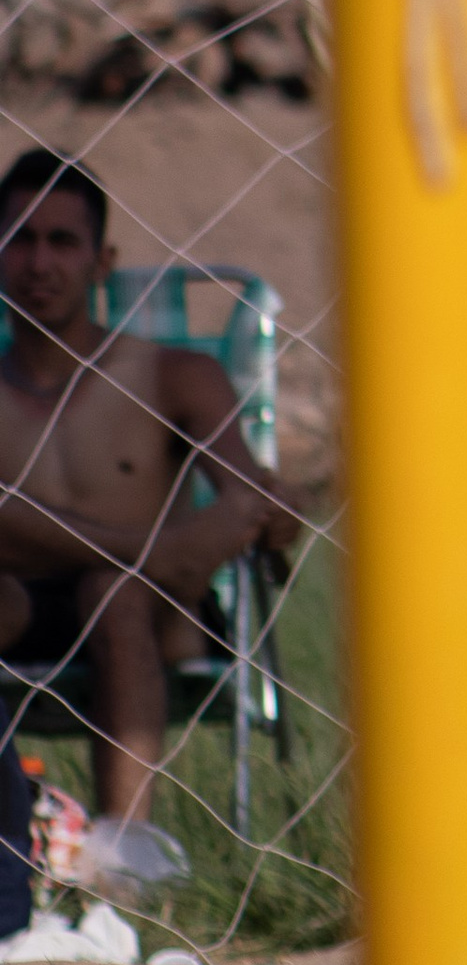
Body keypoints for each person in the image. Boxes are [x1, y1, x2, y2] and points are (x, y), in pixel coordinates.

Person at [0, 148, 298, 851]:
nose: (40, 263)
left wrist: (278, 506)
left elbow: (250, 501)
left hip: (147, 612)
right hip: (24, 599)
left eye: (62, 241)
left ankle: (125, 858)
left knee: (115, 593)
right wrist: (159, 548)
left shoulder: (175, 376)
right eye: (20, 240)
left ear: (102, 262)